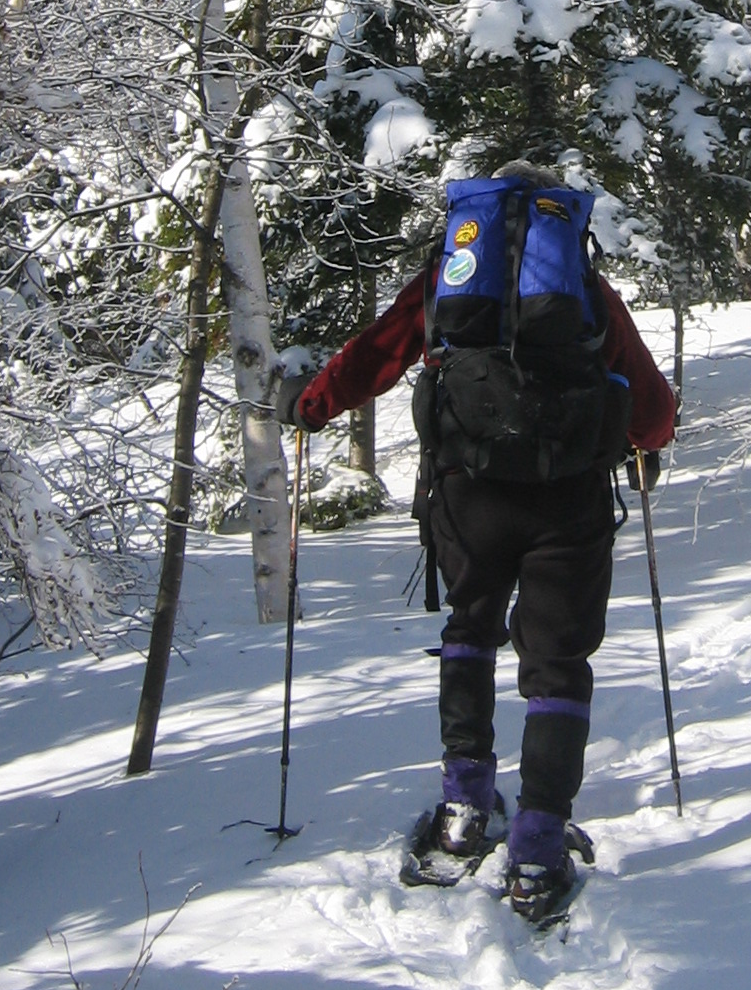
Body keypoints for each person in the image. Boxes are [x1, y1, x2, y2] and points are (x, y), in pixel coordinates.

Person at [284, 161, 675, 921]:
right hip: (569, 505)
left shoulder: (448, 281)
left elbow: (378, 352)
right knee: (557, 665)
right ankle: (536, 843)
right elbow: (652, 409)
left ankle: (462, 811)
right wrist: (643, 439)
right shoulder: (585, 292)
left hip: (469, 496)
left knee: (469, 631)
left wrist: (313, 406)